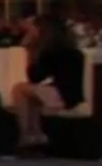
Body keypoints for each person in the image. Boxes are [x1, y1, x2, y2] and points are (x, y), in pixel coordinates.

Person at [12, 14, 84, 153]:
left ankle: (27, 135)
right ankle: (35, 134)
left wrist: (30, 50)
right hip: (72, 95)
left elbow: (34, 77)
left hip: (62, 96)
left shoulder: (50, 51)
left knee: (19, 89)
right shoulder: (71, 49)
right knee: (30, 95)